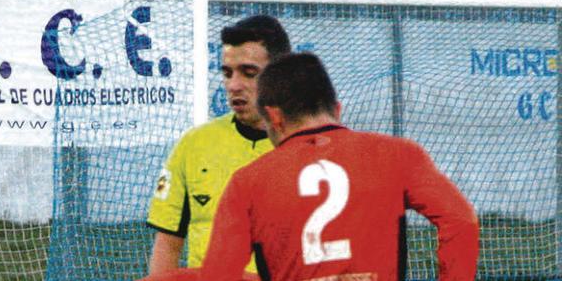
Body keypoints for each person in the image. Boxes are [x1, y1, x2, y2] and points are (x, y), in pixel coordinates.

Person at [141, 52, 479, 281]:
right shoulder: (400, 154)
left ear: (273, 117)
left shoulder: (248, 182)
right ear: (337, 108)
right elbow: (461, 220)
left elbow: (219, 276)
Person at [146, 15, 292, 276]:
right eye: (227, 73)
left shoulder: (310, 148)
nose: (233, 85)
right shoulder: (194, 145)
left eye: (249, 73)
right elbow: (168, 244)